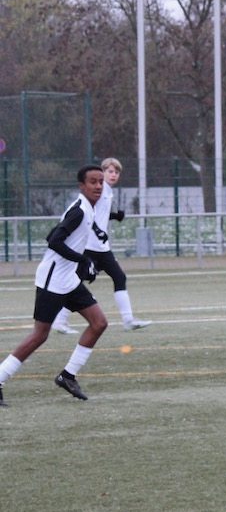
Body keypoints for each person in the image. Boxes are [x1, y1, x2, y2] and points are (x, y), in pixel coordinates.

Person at [0, 165, 110, 405]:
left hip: (67, 278)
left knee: (99, 323)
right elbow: (54, 240)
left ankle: (67, 376)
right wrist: (83, 260)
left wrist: (81, 263)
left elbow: (57, 234)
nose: (99, 186)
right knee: (40, 335)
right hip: (52, 280)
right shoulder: (80, 210)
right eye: (93, 182)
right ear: (82, 186)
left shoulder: (87, 208)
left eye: (101, 181)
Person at [52, 157, 151, 334]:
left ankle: (128, 319)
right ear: (102, 173)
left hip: (102, 248)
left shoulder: (107, 191)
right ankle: (59, 320)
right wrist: (97, 230)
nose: (113, 175)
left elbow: (100, 214)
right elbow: (90, 214)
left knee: (119, 277)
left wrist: (114, 216)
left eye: (116, 172)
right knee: (76, 283)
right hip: (90, 246)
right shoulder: (101, 189)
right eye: (110, 171)